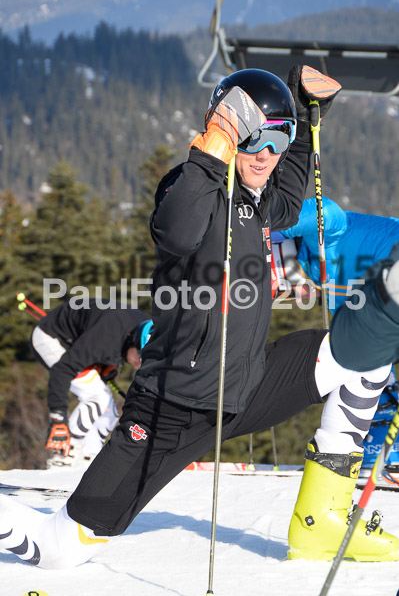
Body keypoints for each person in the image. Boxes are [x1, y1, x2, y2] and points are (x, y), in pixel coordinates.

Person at [1, 65, 399, 569]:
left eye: (279, 141)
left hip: (249, 388)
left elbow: (293, 189)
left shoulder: (260, 202)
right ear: (225, 132)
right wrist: (217, 144)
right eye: (255, 138)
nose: (267, 155)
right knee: (59, 550)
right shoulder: (188, 188)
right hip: (173, 411)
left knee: (363, 356)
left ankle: (322, 521)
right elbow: (179, 232)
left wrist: (306, 115)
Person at [271, 198, 399, 473]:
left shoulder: (318, 246)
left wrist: (268, 223)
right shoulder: (319, 281)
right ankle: (378, 453)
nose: (283, 292)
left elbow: (326, 212)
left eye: (279, 284)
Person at [30, 299, 152, 468]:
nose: (139, 365)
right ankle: (64, 456)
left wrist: (107, 363)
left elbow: (114, 341)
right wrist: (58, 418)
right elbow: (62, 370)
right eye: (140, 358)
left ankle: (87, 459)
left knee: (110, 411)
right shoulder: (106, 337)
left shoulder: (142, 329)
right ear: (134, 343)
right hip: (51, 338)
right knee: (97, 397)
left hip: (83, 339)